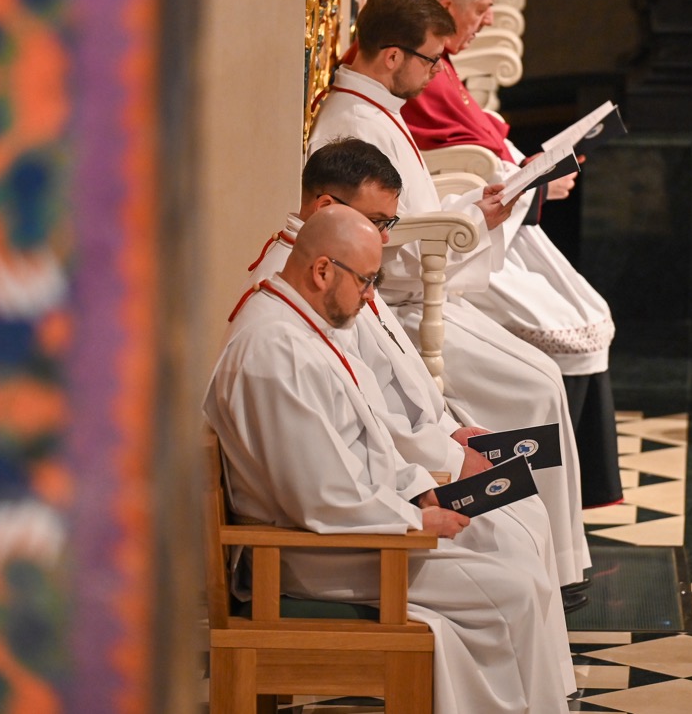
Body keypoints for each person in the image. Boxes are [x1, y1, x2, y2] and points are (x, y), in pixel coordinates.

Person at [204, 205, 576, 713]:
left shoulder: (300, 325)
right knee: (511, 592)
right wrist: (416, 518)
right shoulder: (274, 352)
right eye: (365, 280)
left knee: (512, 553)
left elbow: (362, 444)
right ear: (322, 270)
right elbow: (322, 498)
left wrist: (420, 489)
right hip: (315, 553)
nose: (369, 296)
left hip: (354, 532)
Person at [308, 0, 593, 583]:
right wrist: (474, 218)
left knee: (543, 378)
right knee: (537, 387)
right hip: (400, 303)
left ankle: (550, 559)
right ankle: (533, 560)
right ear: (393, 56)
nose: (437, 73)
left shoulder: (376, 109)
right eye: (431, 60)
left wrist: (473, 207)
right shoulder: (352, 122)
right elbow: (385, 244)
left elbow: (407, 215)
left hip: (421, 287)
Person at [235, 137, 590, 607]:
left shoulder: (330, 274)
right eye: (379, 222)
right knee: (513, 578)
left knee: (521, 528)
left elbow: (371, 407)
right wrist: (422, 498)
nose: (386, 238)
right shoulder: (295, 316)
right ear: (326, 211)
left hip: (374, 504)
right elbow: (330, 475)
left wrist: (444, 447)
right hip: (334, 545)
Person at [401, 0, 625, 509]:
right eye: (482, 9)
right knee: (565, 336)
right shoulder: (417, 70)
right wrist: (536, 185)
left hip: (481, 225)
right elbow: (448, 169)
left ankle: (575, 494)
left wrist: (531, 172)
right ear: (446, 6)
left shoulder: (433, 61)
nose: (489, 21)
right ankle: (549, 497)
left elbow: (474, 136)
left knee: (587, 315)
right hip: (456, 247)